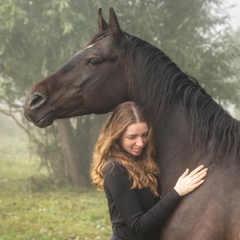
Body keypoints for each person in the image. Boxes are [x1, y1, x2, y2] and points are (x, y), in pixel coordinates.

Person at [90, 101, 208, 240]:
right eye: (132, 137)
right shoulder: (114, 170)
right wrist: (177, 192)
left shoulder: (144, 160)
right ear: (117, 135)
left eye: (144, 135)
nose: (140, 143)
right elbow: (139, 226)